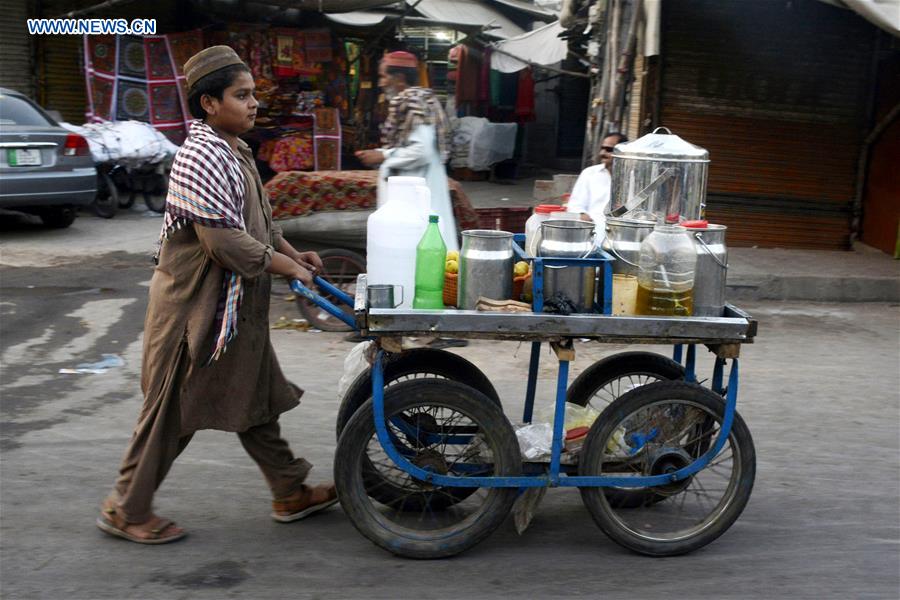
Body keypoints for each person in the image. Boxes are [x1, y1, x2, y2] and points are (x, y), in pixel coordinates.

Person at [96, 46, 337, 545]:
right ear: (208, 103)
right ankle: (126, 508)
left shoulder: (235, 150)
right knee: (173, 409)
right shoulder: (199, 157)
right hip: (195, 309)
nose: (253, 104)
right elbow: (224, 241)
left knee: (255, 395)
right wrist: (289, 267)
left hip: (232, 305)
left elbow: (257, 224)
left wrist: (296, 253)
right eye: (241, 95)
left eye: (252, 95)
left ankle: (289, 490)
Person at [355, 51, 458, 252]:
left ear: (399, 78)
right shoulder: (420, 98)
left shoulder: (412, 101)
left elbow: (422, 150)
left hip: (415, 193)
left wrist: (383, 155)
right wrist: (379, 152)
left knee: (417, 249)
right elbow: (410, 145)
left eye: (384, 76)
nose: (381, 83)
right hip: (417, 189)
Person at [566, 133, 628, 239]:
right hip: (593, 231)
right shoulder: (589, 173)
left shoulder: (632, 177)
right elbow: (575, 205)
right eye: (602, 148)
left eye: (608, 149)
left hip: (623, 233)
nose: (602, 153)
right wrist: (583, 216)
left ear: (622, 152)